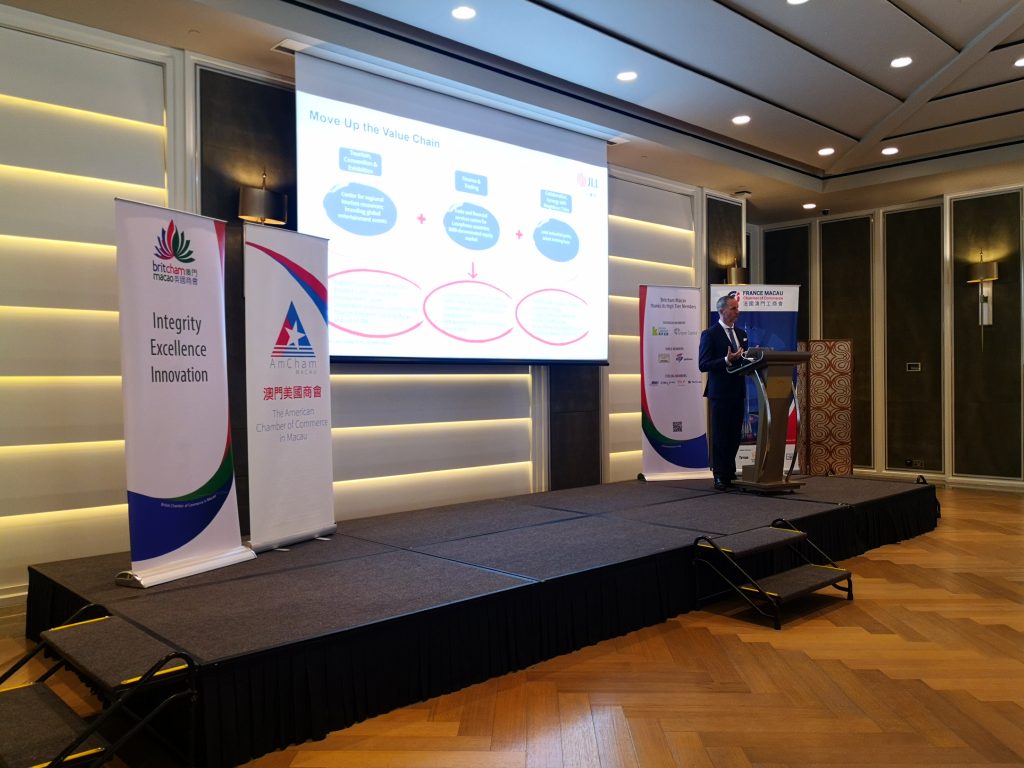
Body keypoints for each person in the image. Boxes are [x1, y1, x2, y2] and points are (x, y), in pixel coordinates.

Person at [698, 293, 748, 490]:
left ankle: (730, 472)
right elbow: (703, 364)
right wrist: (727, 360)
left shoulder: (742, 334)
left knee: (734, 435)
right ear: (722, 311)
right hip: (720, 393)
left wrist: (752, 359)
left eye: (737, 308)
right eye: (733, 308)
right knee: (720, 435)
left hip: (738, 391)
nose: (738, 311)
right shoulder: (710, 334)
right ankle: (719, 474)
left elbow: (743, 361)